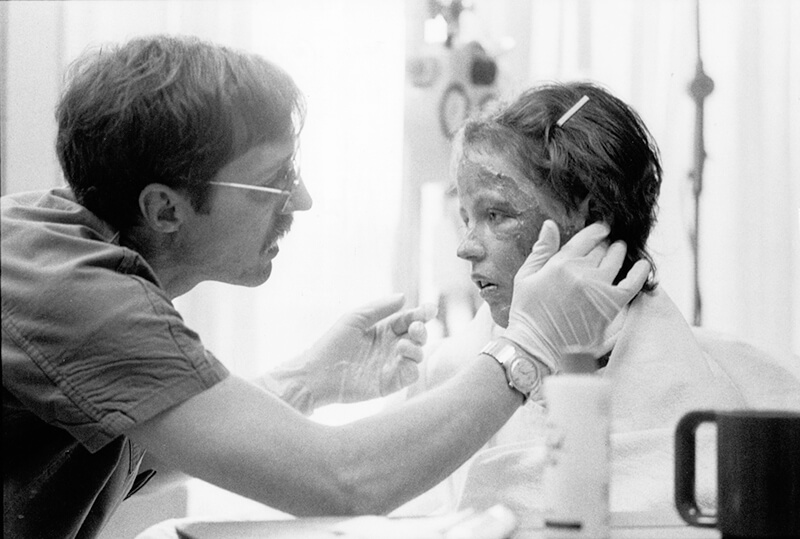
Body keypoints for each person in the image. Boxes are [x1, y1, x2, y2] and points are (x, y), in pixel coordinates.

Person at [1, 36, 651, 539]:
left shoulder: (62, 255)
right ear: (166, 209)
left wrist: (309, 379)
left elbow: (150, 435)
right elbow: (343, 479)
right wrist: (528, 346)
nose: (301, 200)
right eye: (273, 180)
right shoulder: (70, 291)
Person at [402, 81, 800, 519]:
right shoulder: (441, 378)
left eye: (496, 215)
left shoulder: (757, 395)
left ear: (591, 221)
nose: (466, 247)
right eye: (466, 219)